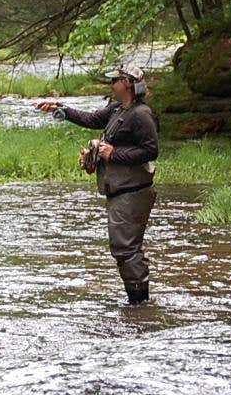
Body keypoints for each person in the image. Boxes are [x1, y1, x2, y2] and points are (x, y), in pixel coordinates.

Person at [35, 65, 159, 305]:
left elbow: (151, 150)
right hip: (120, 193)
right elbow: (91, 119)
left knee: (126, 250)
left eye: (114, 80)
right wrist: (60, 108)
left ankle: (139, 304)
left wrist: (113, 154)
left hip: (132, 194)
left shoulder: (141, 114)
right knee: (122, 248)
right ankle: (137, 304)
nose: (111, 84)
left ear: (127, 83)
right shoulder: (117, 109)